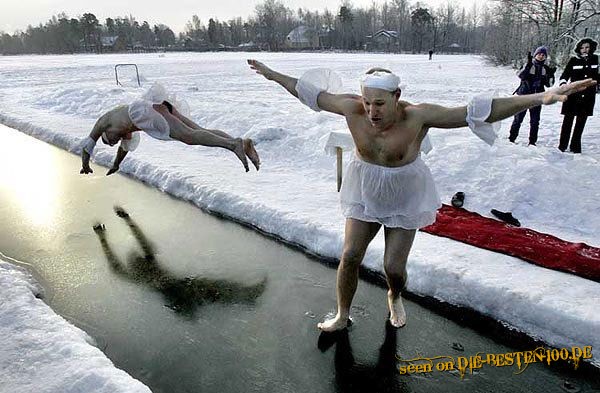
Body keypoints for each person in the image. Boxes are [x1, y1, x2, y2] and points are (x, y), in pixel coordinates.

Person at [247, 59, 596, 332]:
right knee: (351, 254)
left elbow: (476, 113)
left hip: (404, 192)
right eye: (367, 103)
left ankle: (394, 294)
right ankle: (342, 314)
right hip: (365, 189)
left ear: (397, 97)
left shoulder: (418, 117)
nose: (372, 112)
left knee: (392, 268)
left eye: (380, 104)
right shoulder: (352, 108)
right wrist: (273, 74)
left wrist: (540, 97)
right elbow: (310, 93)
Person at [80, 99, 260, 175]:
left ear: (105, 132)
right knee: (198, 131)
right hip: (158, 107)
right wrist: (116, 165)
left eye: (108, 140)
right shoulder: (122, 133)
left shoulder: (104, 121)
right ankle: (243, 143)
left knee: (189, 136)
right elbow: (123, 150)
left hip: (143, 111)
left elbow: (88, 145)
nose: (113, 142)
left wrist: (85, 165)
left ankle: (232, 145)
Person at [558, 37, 600, 153]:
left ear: (591, 48)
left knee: (581, 122)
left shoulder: (596, 59)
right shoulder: (573, 60)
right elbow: (564, 75)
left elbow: (598, 76)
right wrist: (563, 84)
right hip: (573, 95)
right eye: (582, 48)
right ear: (579, 49)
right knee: (568, 121)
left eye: (587, 47)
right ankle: (562, 146)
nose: (585, 50)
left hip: (588, 96)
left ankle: (575, 146)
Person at [509, 46, 556, 145]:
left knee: (535, 122)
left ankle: (532, 142)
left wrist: (551, 75)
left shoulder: (545, 69)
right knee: (518, 119)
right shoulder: (529, 65)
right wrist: (527, 66)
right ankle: (511, 139)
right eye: (539, 54)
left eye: (543, 55)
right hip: (524, 97)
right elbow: (520, 76)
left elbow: (549, 85)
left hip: (537, 98)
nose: (541, 56)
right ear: (535, 55)